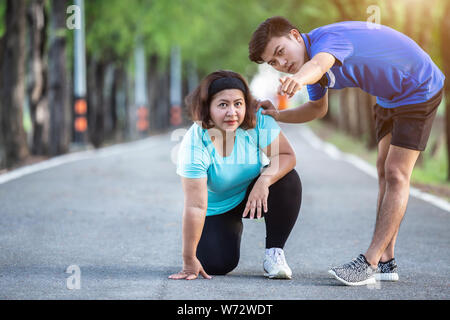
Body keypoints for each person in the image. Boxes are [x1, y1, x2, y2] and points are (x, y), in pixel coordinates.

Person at [248, 16, 445, 286]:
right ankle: (387, 260)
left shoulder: (327, 42)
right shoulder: (310, 67)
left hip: (418, 85)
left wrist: (298, 78)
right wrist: (278, 114)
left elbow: (319, 65)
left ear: (295, 35)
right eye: (273, 62)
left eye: (280, 52)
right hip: (388, 96)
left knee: (397, 173)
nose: (281, 64)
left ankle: (370, 262)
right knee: (383, 171)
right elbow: (318, 109)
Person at [169, 70, 302, 280]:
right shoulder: (194, 144)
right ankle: (230, 228)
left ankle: (274, 254)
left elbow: (285, 155)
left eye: (238, 104)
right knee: (216, 264)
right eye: (223, 105)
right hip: (218, 207)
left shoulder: (257, 119)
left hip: (255, 194)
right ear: (207, 108)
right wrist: (188, 261)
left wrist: (264, 181)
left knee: (287, 179)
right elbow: (195, 206)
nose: (232, 112)